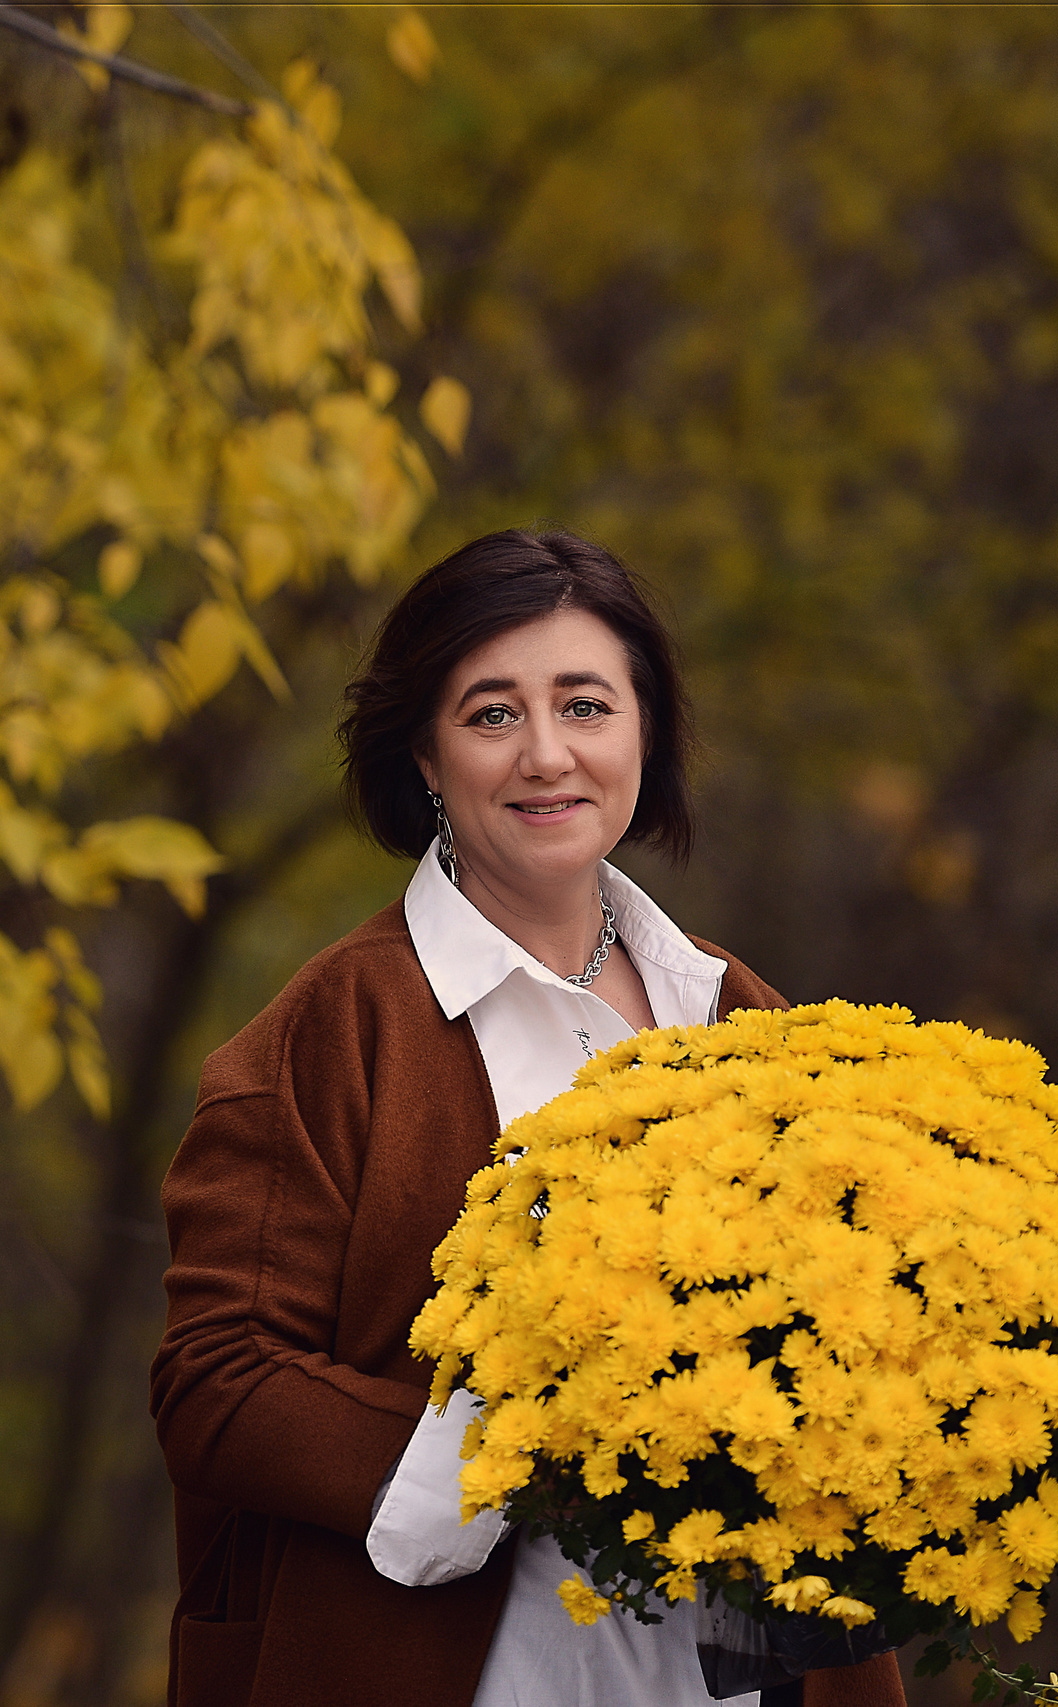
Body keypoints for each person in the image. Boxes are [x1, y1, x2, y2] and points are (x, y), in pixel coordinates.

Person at [149, 530, 906, 1707]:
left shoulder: (734, 1013)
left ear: (643, 733)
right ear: (426, 755)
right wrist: (526, 1450)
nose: (546, 754)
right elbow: (216, 1379)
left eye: (586, 705)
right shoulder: (330, 1032)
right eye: (492, 714)